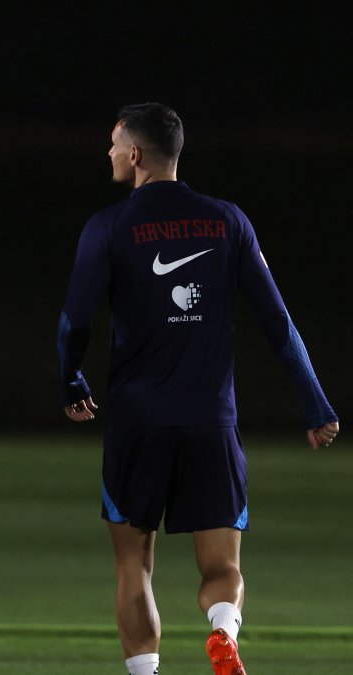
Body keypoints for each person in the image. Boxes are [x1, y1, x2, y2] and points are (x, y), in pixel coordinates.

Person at [57, 102, 340, 675]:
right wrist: (316, 404)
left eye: (114, 144)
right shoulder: (228, 220)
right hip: (211, 421)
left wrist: (70, 380)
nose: (109, 153)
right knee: (223, 567)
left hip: (138, 423)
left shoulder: (108, 226)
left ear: (135, 153)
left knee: (134, 565)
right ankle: (223, 631)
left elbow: (74, 322)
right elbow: (278, 322)